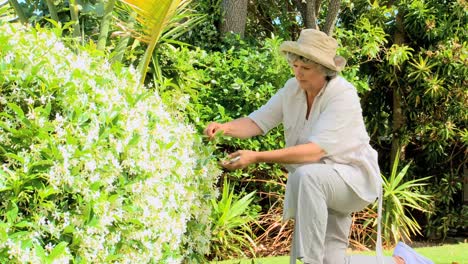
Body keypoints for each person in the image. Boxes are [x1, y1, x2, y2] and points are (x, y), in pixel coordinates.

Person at [204, 29, 388, 264]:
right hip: (319, 185)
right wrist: (224, 127)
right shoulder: (292, 89)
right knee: (333, 259)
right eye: (295, 65)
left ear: (325, 70)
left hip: (353, 182)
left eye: (306, 68)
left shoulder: (343, 95)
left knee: (307, 176)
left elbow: (315, 151)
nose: (298, 73)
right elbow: (256, 122)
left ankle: (306, 262)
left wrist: (257, 156)